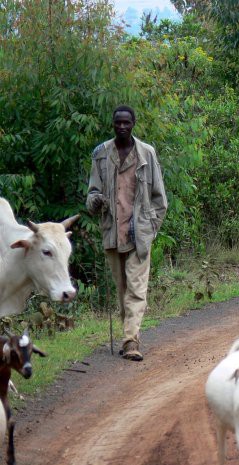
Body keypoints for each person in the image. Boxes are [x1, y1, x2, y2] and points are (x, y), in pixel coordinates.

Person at [86, 106, 167, 361]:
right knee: (122, 291)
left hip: (139, 234)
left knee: (136, 289)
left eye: (127, 123)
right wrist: (96, 201)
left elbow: (159, 200)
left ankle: (131, 341)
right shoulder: (101, 154)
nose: (122, 127)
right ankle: (128, 334)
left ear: (133, 124)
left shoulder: (147, 154)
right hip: (113, 232)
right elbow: (91, 194)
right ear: (113, 124)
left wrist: (151, 228)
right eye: (118, 123)